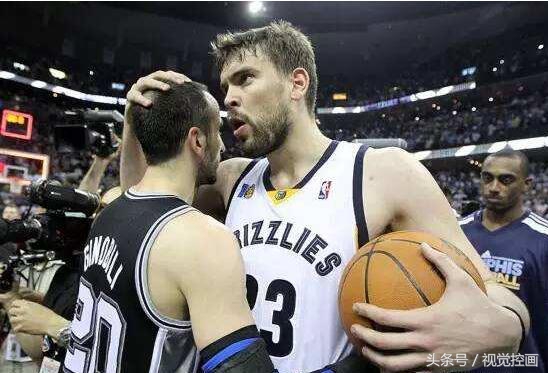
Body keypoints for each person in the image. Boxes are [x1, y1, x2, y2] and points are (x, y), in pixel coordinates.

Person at [121, 21, 530, 373]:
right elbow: (138, 206)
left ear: (297, 83)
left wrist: (508, 328)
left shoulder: (383, 172)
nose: (228, 97)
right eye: (225, 85)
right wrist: (132, 119)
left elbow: (492, 289)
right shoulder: (230, 176)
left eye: (245, 78)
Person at [64, 81, 275, 373]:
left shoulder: (108, 213)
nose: (224, 145)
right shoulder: (200, 239)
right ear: (197, 141)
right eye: (217, 132)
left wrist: (131, 119)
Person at [460, 149, 547, 372]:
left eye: (505, 180)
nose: (494, 187)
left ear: (527, 184)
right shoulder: (456, 232)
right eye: (487, 178)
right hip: (461, 362)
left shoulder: (543, 239)